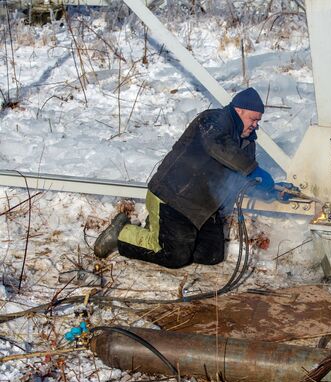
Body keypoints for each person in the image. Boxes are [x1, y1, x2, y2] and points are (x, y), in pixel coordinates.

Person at [94, 87, 292, 268]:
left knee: (210, 255)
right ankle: (123, 232)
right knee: (174, 256)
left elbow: (242, 179)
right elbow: (220, 147)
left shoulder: (247, 142)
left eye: (258, 121)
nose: (256, 125)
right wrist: (254, 170)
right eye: (253, 119)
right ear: (239, 111)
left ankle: (160, 231)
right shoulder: (212, 121)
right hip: (173, 198)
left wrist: (270, 191)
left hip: (203, 209)